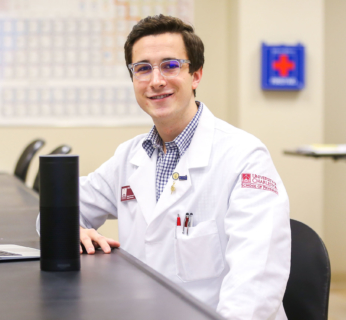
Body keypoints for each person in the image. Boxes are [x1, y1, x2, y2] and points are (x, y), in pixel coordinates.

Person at [74, 14, 291, 319]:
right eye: (143, 68)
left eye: (171, 65)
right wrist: (70, 229)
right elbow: (62, 206)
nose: (156, 80)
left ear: (196, 75)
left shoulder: (244, 156)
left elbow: (255, 284)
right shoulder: (130, 156)